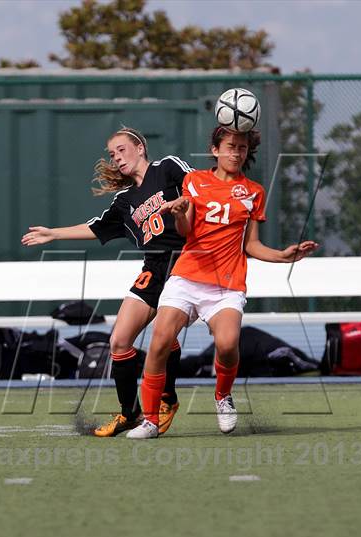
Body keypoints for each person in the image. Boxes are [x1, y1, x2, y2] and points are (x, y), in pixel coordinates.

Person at [126, 126, 319, 439]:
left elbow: (251, 245)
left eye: (242, 148)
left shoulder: (254, 191)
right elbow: (186, 230)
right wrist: (179, 213)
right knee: (159, 341)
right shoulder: (194, 181)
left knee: (228, 345)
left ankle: (222, 396)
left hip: (227, 284)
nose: (236, 153)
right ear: (215, 150)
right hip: (188, 277)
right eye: (230, 146)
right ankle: (149, 420)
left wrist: (284, 255)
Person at [21, 127, 193, 436]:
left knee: (164, 336)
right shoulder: (124, 200)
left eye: (121, 149)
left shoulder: (167, 167)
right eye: (112, 154)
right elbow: (97, 228)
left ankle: (167, 399)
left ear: (140, 147)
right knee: (119, 341)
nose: (116, 157)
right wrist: (53, 233)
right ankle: (130, 413)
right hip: (153, 268)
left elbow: (200, 190)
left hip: (186, 263)